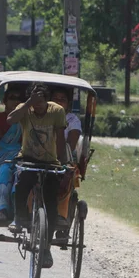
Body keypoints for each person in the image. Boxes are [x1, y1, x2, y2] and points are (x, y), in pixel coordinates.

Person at [7, 83, 68, 269]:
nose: (38, 106)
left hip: (50, 162)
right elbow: (10, 119)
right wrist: (27, 104)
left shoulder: (57, 111)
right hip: (27, 159)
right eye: (35, 102)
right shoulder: (25, 109)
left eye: (40, 102)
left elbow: (60, 137)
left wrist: (63, 163)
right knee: (21, 187)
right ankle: (20, 218)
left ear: (47, 100)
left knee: (50, 204)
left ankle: (46, 248)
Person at [0, 87, 25, 225]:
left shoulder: (26, 119)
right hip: (3, 155)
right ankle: (1, 209)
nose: (15, 101)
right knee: (4, 172)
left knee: (22, 177)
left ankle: (19, 212)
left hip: (22, 156)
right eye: (12, 98)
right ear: (5, 101)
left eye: (18, 99)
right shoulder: (1, 117)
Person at [50, 88, 82, 231]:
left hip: (64, 159)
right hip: (40, 156)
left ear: (68, 103)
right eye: (55, 98)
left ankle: (61, 216)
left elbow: (70, 145)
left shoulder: (72, 120)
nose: (58, 101)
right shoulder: (42, 115)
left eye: (62, 99)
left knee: (66, 179)